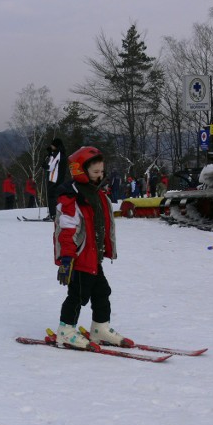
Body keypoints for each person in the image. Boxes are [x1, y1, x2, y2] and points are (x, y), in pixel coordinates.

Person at [53, 146, 134, 350]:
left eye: (101, 172)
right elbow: (67, 231)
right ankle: (66, 331)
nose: (100, 176)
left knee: (102, 292)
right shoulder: (71, 197)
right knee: (77, 296)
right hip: (78, 259)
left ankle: (100, 328)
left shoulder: (97, 194)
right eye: (95, 172)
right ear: (80, 171)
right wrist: (66, 259)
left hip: (93, 257)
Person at [42, 138, 69, 221]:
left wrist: (44, 165)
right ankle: (55, 214)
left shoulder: (57, 154)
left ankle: (53, 214)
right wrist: (50, 154)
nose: (51, 146)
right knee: (56, 196)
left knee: (51, 196)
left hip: (54, 179)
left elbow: (51, 167)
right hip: (59, 179)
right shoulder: (62, 154)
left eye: (53, 145)